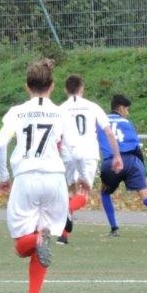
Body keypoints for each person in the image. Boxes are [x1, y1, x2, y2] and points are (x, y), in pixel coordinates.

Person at [0, 58, 82, 293]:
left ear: (27, 86)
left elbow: (0, 144)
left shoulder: (17, 112)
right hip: (54, 179)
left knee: (23, 244)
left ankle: (37, 240)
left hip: (26, 178)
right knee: (43, 239)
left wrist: (3, 177)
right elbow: (74, 151)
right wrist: (80, 178)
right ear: (52, 86)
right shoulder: (61, 113)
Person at [97, 94, 147, 237]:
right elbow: (136, 148)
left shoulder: (101, 121)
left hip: (112, 162)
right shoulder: (127, 123)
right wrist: (143, 171)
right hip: (132, 161)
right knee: (145, 196)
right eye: (127, 109)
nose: (128, 113)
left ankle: (114, 229)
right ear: (121, 108)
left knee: (104, 192)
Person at [57, 74, 124, 244]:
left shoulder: (61, 109)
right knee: (83, 193)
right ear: (82, 89)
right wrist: (117, 156)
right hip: (88, 153)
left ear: (65, 90)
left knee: (71, 190)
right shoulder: (92, 107)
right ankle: (66, 212)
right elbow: (109, 132)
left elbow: (56, 137)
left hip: (68, 152)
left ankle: (63, 236)